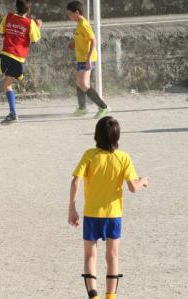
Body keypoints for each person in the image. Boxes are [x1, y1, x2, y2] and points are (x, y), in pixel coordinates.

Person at [68, 116, 149, 299]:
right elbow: (133, 187)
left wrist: (72, 207)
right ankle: (110, 296)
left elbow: (75, 181)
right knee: (112, 257)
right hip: (113, 215)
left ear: (96, 135)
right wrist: (143, 180)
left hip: (92, 214)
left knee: (90, 256)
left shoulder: (90, 155)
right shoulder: (123, 157)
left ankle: (93, 296)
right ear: (117, 137)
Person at [66, 0, 110, 118]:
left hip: (87, 58)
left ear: (76, 12)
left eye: (70, 14)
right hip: (81, 58)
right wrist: (74, 44)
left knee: (83, 83)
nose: (69, 16)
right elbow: (83, 39)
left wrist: (89, 60)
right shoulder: (79, 24)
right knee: (79, 83)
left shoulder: (84, 24)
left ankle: (103, 107)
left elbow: (93, 40)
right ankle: (82, 108)